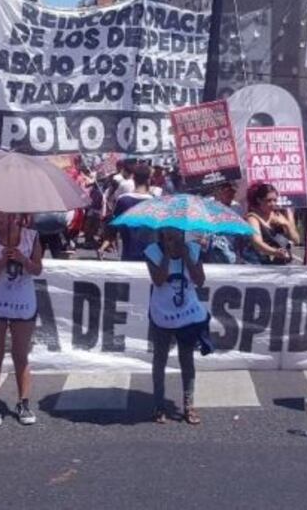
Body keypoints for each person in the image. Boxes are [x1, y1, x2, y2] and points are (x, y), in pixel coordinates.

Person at [0, 211, 43, 427]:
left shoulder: (31, 237)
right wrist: (1, 260)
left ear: (16, 216)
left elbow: (37, 269)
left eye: (8, 214)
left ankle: (23, 402)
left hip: (23, 304)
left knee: (20, 355)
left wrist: (22, 259)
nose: (2, 218)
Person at [145, 227, 208, 424]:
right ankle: (158, 404)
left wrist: (187, 257)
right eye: (169, 236)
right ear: (162, 235)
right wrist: (166, 255)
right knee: (160, 359)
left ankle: (189, 404)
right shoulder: (152, 252)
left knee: (186, 359)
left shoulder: (193, 249)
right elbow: (158, 280)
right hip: (162, 315)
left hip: (187, 315)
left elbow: (199, 281)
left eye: (178, 235)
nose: (174, 239)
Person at [243, 183, 300, 265]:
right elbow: (257, 243)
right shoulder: (252, 218)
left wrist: (287, 224)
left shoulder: (280, 214)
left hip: (283, 263)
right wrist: (275, 252)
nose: (273, 204)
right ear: (259, 200)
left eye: (275, 200)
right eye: (268, 200)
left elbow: (296, 240)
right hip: (261, 264)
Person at [113, 164, 156, 262]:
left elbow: (115, 226)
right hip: (150, 257)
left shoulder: (123, 200)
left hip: (127, 253)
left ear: (133, 178)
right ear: (149, 180)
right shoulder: (155, 203)